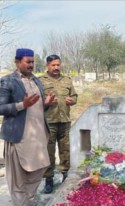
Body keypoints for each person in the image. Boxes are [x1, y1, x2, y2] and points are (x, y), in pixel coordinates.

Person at [0, 48, 56, 206]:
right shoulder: (8, 81)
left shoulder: (36, 80)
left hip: (38, 136)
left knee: (38, 170)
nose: (30, 65)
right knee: (18, 177)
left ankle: (29, 202)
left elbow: (36, 109)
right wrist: (22, 104)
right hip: (19, 137)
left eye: (32, 62)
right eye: (27, 62)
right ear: (17, 62)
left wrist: (45, 104)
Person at [40, 54, 78, 194]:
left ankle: (65, 176)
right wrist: (46, 102)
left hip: (64, 120)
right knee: (48, 151)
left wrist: (72, 100)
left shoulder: (67, 80)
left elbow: (74, 96)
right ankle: (48, 179)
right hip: (49, 121)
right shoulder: (40, 81)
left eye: (58, 65)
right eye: (53, 65)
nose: (56, 67)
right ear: (47, 66)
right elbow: (36, 100)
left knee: (65, 150)